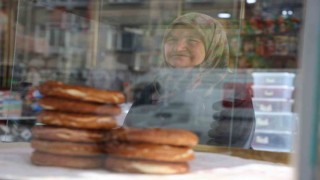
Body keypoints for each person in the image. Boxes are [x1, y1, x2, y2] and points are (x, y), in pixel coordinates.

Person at [124, 12, 255, 149]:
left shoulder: (231, 89)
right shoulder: (156, 87)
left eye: (192, 41)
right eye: (172, 40)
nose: (178, 47)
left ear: (213, 47)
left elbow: (233, 148)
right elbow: (130, 134)